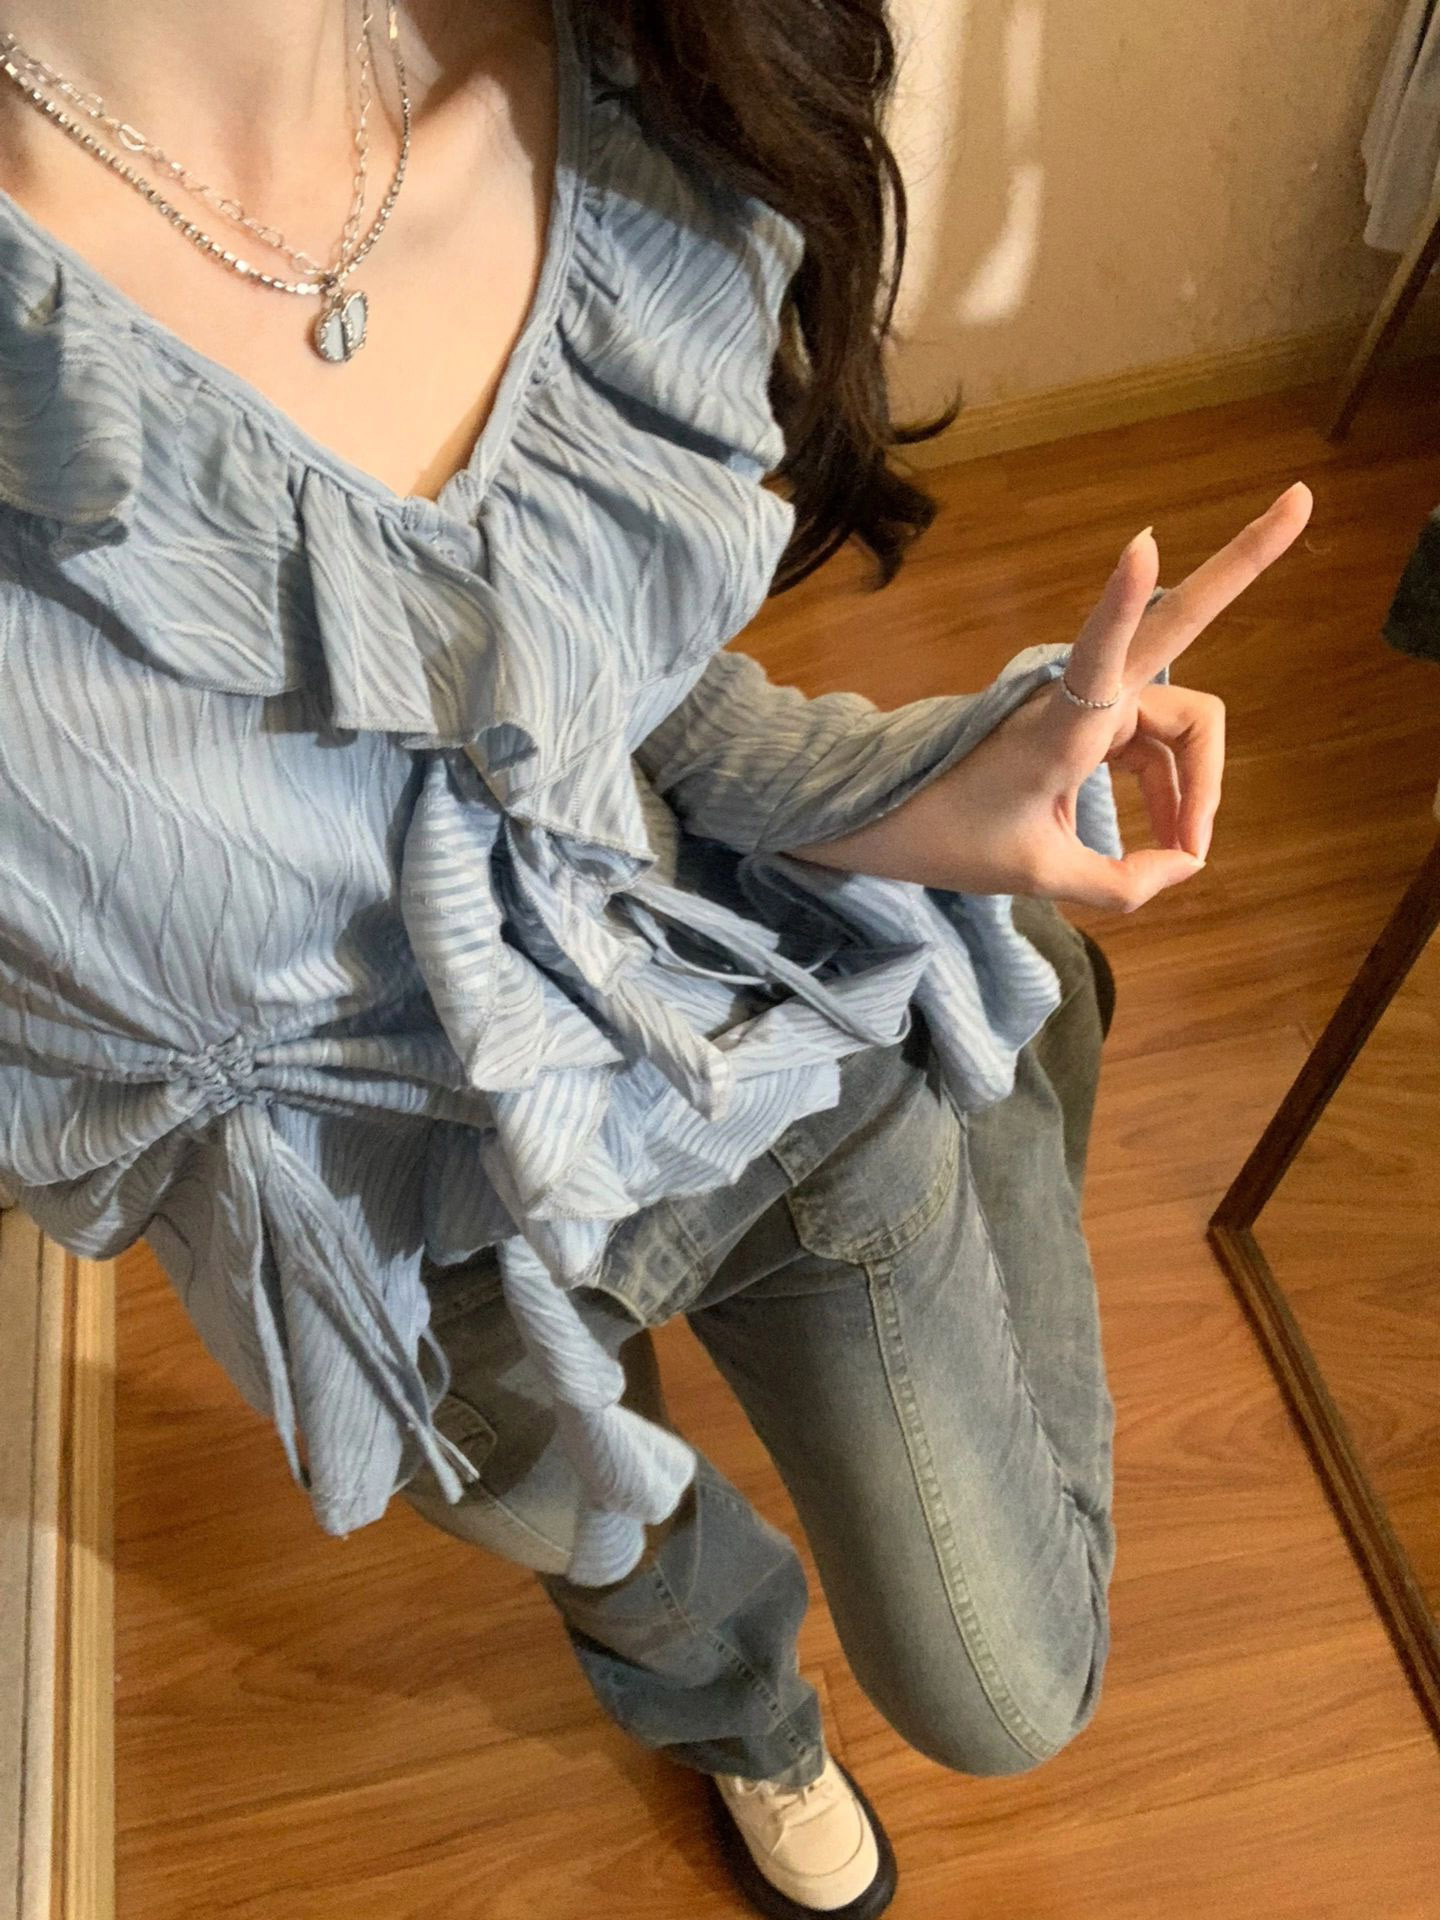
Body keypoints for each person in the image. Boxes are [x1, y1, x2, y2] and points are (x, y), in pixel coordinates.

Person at [0, 2, 1311, 1914]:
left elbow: (620, 698)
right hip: (386, 1258)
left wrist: (903, 802)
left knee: (1009, 1695)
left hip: (745, 1073)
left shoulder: (640, 68)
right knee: (624, 1558)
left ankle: (987, 1006)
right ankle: (750, 1733)